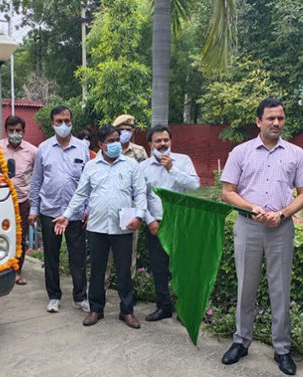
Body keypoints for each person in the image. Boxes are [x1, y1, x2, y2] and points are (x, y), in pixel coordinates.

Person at [219, 98, 303, 376]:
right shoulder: (241, 152)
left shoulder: (296, 153)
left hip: (281, 228)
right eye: (271, 118)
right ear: (258, 121)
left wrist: (283, 214)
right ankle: (241, 341)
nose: (276, 123)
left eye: (281, 118)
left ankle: (282, 349)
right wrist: (252, 208)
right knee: (245, 286)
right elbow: (227, 191)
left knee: (280, 288)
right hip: (248, 226)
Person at [52, 124, 148, 329]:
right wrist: (67, 215)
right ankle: (96, 309)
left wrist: (139, 216)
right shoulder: (91, 167)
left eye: (117, 140)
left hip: (123, 227)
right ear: (100, 144)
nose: (115, 144)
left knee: (124, 271)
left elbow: (140, 193)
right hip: (96, 227)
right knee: (97, 270)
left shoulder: (131, 165)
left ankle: (127, 311)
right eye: (110, 141)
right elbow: (80, 194)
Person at [29, 106, 90, 313]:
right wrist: (34, 209)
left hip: (75, 214)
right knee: (51, 256)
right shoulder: (43, 149)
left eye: (67, 121)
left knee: (78, 256)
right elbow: (36, 182)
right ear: (52, 124)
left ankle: (80, 297)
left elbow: (89, 182)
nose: (63, 125)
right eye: (59, 121)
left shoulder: (82, 148)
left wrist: (87, 208)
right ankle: (54, 296)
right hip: (49, 211)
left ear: (72, 122)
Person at [141, 125, 200, 321]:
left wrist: (172, 169)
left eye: (166, 140)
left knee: (182, 266)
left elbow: (194, 185)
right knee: (159, 268)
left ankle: (184, 308)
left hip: (181, 223)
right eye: (158, 141)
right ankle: (164, 307)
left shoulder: (182, 161)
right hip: (157, 224)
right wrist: (149, 221)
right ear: (150, 144)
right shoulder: (143, 168)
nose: (163, 144)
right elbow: (141, 197)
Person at [106, 114, 148, 281]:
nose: (125, 133)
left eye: (128, 130)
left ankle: (128, 287)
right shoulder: (106, 150)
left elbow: (143, 182)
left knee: (130, 248)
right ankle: (103, 285)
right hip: (109, 203)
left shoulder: (139, 152)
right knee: (107, 248)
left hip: (130, 204)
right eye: (121, 130)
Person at [0, 115, 37, 286]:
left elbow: (37, 177)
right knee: (0, 235)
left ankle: (16, 272)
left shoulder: (33, 151)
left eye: (18, 131)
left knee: (20, 238)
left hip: (23, 201)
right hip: (1, 201)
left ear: (23, 131)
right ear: (6, 131)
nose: (15, 134)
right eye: (11, 131)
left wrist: (35, 206)